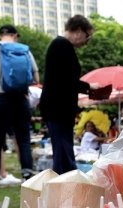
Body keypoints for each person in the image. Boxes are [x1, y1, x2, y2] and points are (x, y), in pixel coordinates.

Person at [40, 15, 99, 174]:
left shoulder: (61, 45)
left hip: (58, 107)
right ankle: (65, 182)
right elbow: (66, 80)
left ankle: (66, 180)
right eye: (87, 37)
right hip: (58, 107)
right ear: (78, 30)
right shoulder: (62, 46)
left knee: (64, 148)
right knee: (63, 151)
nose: (86, 42)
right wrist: (89, 87)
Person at [0, 24, 39, 187]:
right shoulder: (25, 50)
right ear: (16, 35)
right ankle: (27, 174)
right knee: (23, 138)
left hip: (1, 98)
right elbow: (35, 76)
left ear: (1, 34)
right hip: (21, 98)